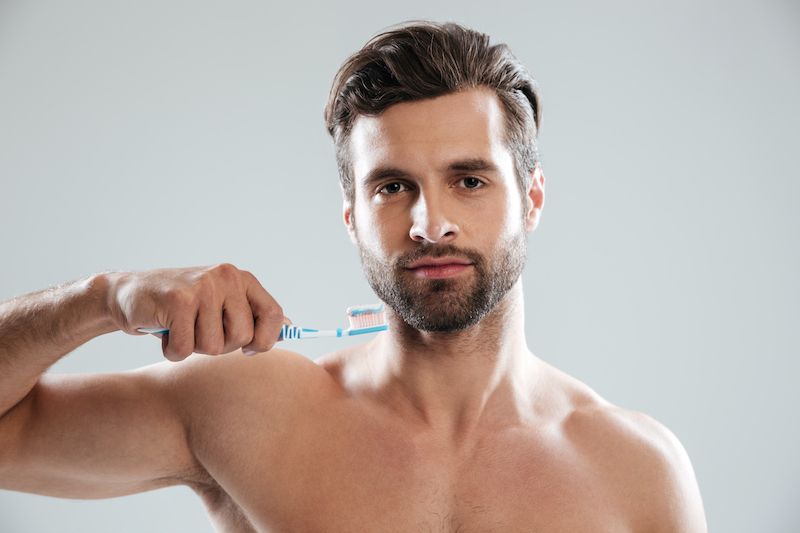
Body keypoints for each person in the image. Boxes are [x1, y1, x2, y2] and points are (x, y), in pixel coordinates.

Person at [0, 20, 707, 532]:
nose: (431, 222)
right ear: (351, 218)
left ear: (532, 198)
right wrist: (102, 299)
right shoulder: (251, 414)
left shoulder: (636, 469)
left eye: (468, 179)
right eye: (392, 186)